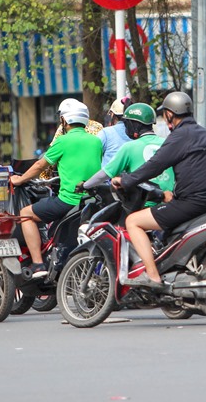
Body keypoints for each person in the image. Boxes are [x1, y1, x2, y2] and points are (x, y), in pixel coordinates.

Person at [113, 91, 206, 289]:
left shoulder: (180, 136)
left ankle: (153, 276)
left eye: (164, 114)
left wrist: (126, 180)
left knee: (133, 221)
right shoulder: (204, 133)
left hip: (193, 203)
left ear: (169, 114)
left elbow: (156, 164)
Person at [10, 101, 102, 278]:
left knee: (25, 213)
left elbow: (39, 165)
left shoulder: (63, 141)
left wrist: (19, 179)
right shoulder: (96, 141)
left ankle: (38, 264)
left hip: (68, 201)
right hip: (92, 201)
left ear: (65, 120)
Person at [81, 102, 174, 207]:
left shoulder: (129, 147)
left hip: (143, 205)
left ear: (134, 125)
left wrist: (84, 186)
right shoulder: (167, 143)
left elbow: (104, 174)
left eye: (127, 124)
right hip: (169, 204)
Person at [97, 97, 132, 166]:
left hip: (109, 175)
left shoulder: (106, 133)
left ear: (113, 115)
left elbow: (95, 155)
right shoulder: (139, 134)